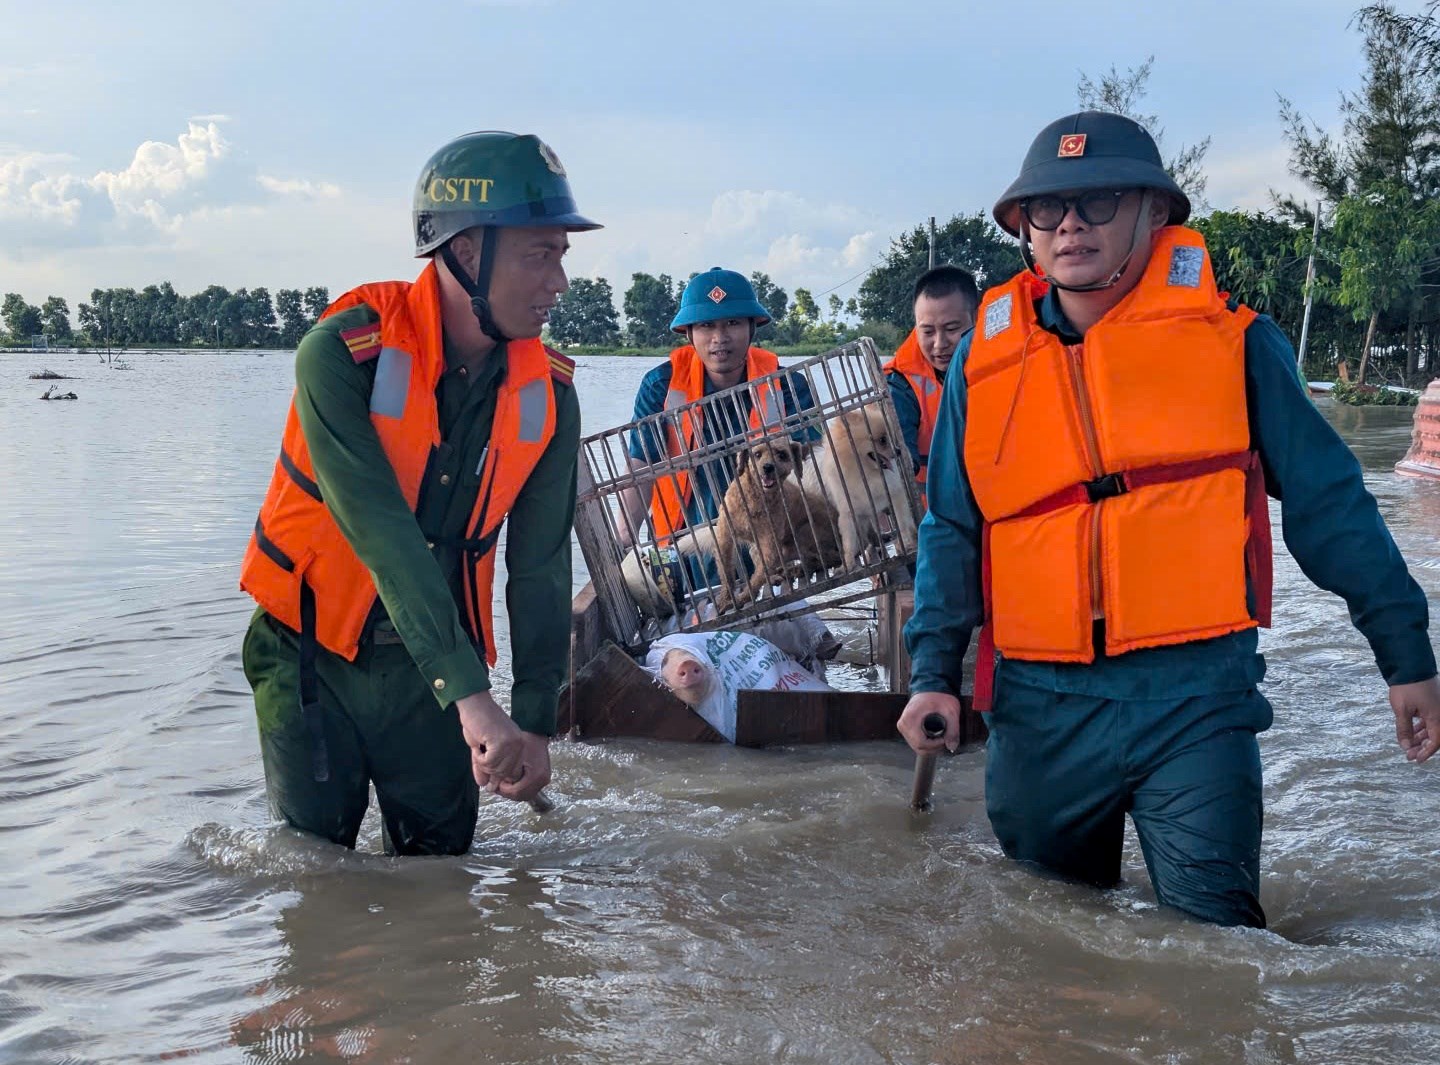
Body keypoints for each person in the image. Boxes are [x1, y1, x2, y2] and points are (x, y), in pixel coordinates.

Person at [897, 110, 1440, 927]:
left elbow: (1332, 507)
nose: (1071, 222)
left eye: (1099, 199)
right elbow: (951, 528)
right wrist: (933, 671)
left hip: (1194, 701)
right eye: (1049, 208)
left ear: (1155, 213)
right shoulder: (981, 362)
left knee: (1218, 947)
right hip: (1041, 709)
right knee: (1050, 946)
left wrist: (1406, 654)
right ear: (1026, 234)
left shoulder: (1240, 343)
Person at [239, 132, 599, 855]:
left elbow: (540, 565)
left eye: (562, 255)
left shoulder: (552, 396)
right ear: (467, 254)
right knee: (317, 878)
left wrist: (531, 719)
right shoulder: (341, 356)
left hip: (432, 673)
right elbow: (384, 536)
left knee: (442, 872)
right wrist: (474, 699)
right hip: (312, 657)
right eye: (540, 255)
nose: (559, 282)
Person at [619, 267, 818, 546]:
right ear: (688, 333)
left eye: (733, 323)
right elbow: (641, 464)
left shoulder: (788, 385)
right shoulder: (660, 385)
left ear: (752, 327)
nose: (719, 337)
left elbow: (815, 463)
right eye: (706, 325)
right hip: (681, 539)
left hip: (769, 538)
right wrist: (626, 535)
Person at [882, 265, 979, 507]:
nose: (939, 344)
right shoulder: (899, 386)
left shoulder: (1007, 366)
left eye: (952, 329)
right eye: (927, 331)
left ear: (977, 319)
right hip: (932, 519)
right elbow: (901, 455)